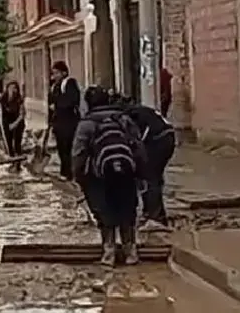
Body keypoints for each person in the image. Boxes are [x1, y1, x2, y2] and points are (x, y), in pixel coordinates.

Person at [71, 86, 147, 266]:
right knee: (128, 210)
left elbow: (78, 153)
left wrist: (79, 177)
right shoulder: (123, 119)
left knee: (103, 211)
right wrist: (141, 173)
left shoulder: (86, 124)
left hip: (98, 177)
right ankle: (130, 251)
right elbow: (138, 146)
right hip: (126, 174)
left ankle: (109, 251)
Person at [116, 93, 176, 231]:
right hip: (167, 138)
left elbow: (135, 141)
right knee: (152, 177)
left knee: (149, 177)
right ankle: (155, 212)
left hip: (158, 141)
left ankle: (154, 217)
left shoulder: (131, 116)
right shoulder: (142, 111)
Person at [47, 61, 82, 180]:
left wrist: (57, 106)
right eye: (53, 73)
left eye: (57, 73)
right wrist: (50, 124)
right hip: (58, 124)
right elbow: (50, 106)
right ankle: (64, 172)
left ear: (64, 72)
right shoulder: (53, 87)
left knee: (69, 148)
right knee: (61, 149)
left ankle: (71, 174)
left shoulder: (69, 83)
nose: (54, 76)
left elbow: (73, 101)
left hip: (69, 122)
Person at [0, 82, 26, 159]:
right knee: (9, 143)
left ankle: (18, 160)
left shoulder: (19, 99)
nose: (13, 90)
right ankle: (11, 158)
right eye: (11, 88)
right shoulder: (3, 99)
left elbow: (22, 114)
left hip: (17, 122)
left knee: (17, 144)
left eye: (15, 88)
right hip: (7, 122)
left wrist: (14, 124)